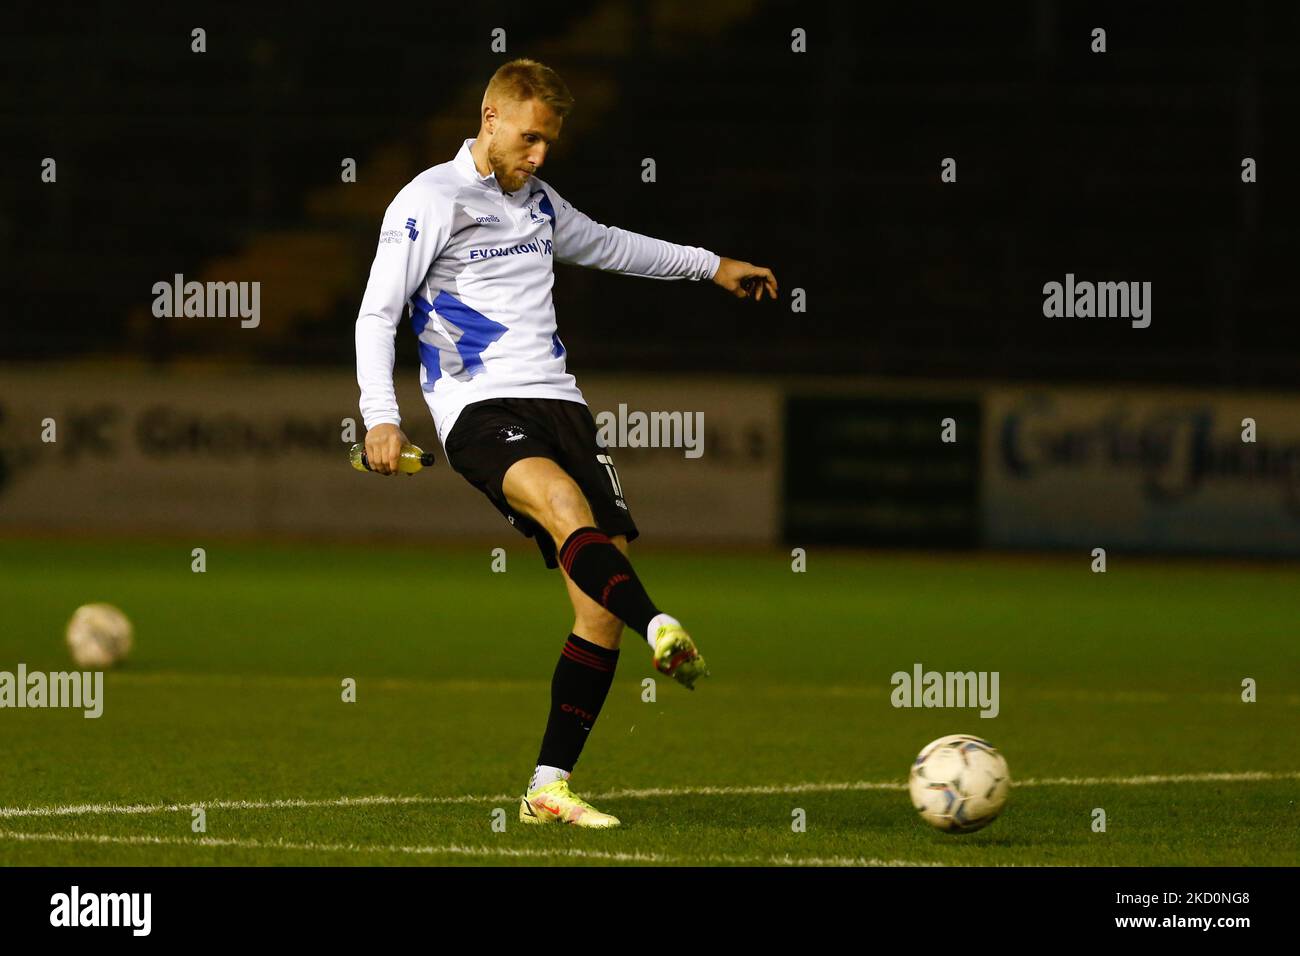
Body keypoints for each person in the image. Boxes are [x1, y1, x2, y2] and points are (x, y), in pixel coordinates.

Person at [354, 58, 777, 828]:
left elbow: (615, 245)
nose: (540, 154)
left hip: (562, 404)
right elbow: (377, 315)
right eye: (530, 138)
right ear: (489, 120)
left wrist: (712, 266)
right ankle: (663, 626)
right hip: (479, 408)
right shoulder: (429, 200)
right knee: (560, 505)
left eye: (549, 141)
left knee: (596, 608)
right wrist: (381, 414)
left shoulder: (539, 202)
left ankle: (549, 786)